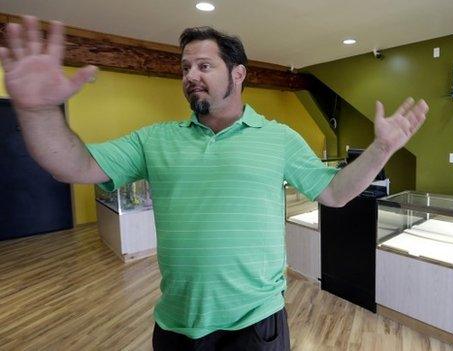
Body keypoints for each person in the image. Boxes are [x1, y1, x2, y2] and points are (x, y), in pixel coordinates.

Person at [0, 15, 428, 351]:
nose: (190, 75)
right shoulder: (155, 139)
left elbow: (334, 193)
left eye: (204, 65)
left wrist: (381, 149)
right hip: (176, 324)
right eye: (185, 67)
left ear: (238, 74)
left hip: (256, 326)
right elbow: (71, 165)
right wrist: (38, 111)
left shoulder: (278, 138)